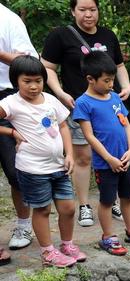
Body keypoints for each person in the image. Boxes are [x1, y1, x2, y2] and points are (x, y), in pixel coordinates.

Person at [41, 0, 130, 227]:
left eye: (92, 9)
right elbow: (47, 67)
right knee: (83, 157)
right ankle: (84, 205)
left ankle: (111, 200)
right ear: (73, 11)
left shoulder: (108, 35)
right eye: (82, 10)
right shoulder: (61, 35)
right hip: (78, 106)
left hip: (108, 107)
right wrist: (60, 93)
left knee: (113, 152)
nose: (88, 14)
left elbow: (119, 66)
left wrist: (126, 86)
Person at [0, 56, 86, 267]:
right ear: (15, 81)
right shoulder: (11, 103)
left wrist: (70, 155)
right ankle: (48, 252)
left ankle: (67, 245)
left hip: (59, 165)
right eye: (27, 81)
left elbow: (63, 126)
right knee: (42, 210)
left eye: (38, 80)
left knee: (68, 208)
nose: (33, 86)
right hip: (32, 168)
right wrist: (11, 132)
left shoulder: (50, 100)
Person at [73, 51, 130, 255]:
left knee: (127, 197)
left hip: (125, 159)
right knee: (107, 201)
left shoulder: (114, 98)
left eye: (112, 80)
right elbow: (89, 136)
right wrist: (108, 158)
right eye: (107, 80)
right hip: (105, 163)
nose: (111, 85)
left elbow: (126, 125)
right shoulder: (83, 103)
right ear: (90, 79)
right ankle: (108, 237)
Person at [0, 3, 37, 262]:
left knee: (15, 169)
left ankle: (24, 226)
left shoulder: (8, 19)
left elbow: (28, 63)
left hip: (7, 97)